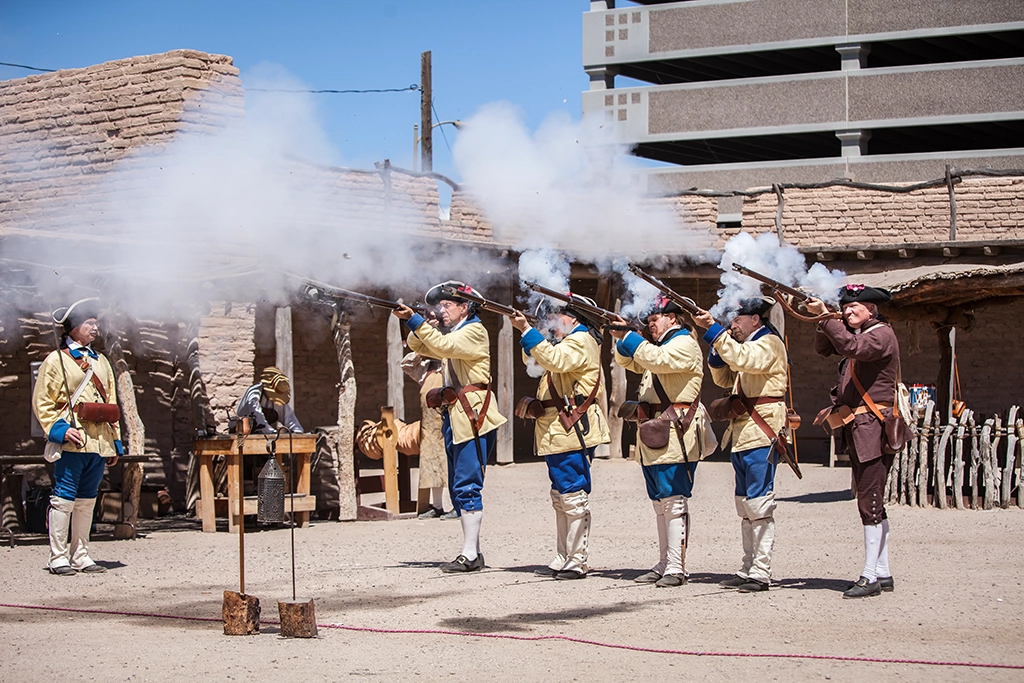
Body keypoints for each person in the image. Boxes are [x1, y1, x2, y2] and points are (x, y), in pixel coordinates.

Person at [393, 281, 506, 573]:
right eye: (440, 306)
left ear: (464, 307)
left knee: (468, 484)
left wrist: (416, 320)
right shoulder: (455, 331)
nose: (441, 310)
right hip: (456, 416)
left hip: (473, 417)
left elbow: (441, 345)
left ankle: (470, 555)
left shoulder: (474, 331)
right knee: (459, 486)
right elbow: (421, 346)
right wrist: (418, 324)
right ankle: (473, 551)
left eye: (447, 305)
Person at [610, 295, 714, 587]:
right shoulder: (657, 345)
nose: (651, 325)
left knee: (674, 501)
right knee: (660, 503)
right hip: (657, 431)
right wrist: (623, 337)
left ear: (673, 318)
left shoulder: (682, 343)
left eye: (655, 319)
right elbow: (627, 361)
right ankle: (665, 562)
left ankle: (677, 567)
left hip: (676, 432)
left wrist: (630, 336)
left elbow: (656, 360)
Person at [806, 285, 899, 599]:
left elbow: (851, 348)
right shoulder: (858, 332)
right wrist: (825, 319)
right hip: (861, 425)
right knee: (872, 500)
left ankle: (870, 576)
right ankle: (883, 571)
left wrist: (828, 318)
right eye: (844, 308)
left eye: (853, 308)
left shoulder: (880, 334)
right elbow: (824, 348)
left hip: (873, 426)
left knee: (869, 502)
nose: (847, 312)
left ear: (871, 310)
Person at [692, 297, 788, 593]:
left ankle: (761, 570)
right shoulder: (745, 344)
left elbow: (745, 360)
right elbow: (724, 375)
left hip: (761, 430)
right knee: (744, 503)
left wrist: (715, 332)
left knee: (759, 503)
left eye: (738, 319)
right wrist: (718, 347)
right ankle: (748, 566)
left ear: (755, 319)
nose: (733, 324)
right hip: (743, 431)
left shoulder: (768, 343)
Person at [510, 298, 609, 581]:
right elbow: (534, 362)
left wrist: (528, 330)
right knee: (560, 496)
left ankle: (577, 559)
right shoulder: (563, 340)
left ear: (571, 317)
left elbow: (554, 361)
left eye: (554, 316)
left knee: (572, 493)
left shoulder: (579, 340)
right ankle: (563, 554)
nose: (551, 321)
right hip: (557, 428)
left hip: (571, 427)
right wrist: (530, 333)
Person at [33, 299, 123, 576]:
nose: (95, 327)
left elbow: (111, 402)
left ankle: (81, 555)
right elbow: (43, 403)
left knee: (87, 500)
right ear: (73, 329)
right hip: (73, 441)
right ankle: (58, 556)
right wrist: (59, 430)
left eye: (95, 322)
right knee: (64, 499)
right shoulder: (55, 360)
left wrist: (114, 443)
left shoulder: (102, 362)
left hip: (98, 443)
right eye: (89, 323)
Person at [400, 350, 456, 520]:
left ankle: (458, 506)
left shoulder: (452, 367)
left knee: (453, 465)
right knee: (432, 465)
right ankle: (437, 506)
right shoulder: (426, 369)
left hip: (449, 423)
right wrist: (421, 351)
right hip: (430, 428)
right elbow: (406, 364)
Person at [232, 366, 303, 435]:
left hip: (262, 436)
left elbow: (291, 420)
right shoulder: (254, 394)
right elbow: (259, 420)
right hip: (240, 434)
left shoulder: (278, 400)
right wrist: (274, 433)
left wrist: (297, 432)